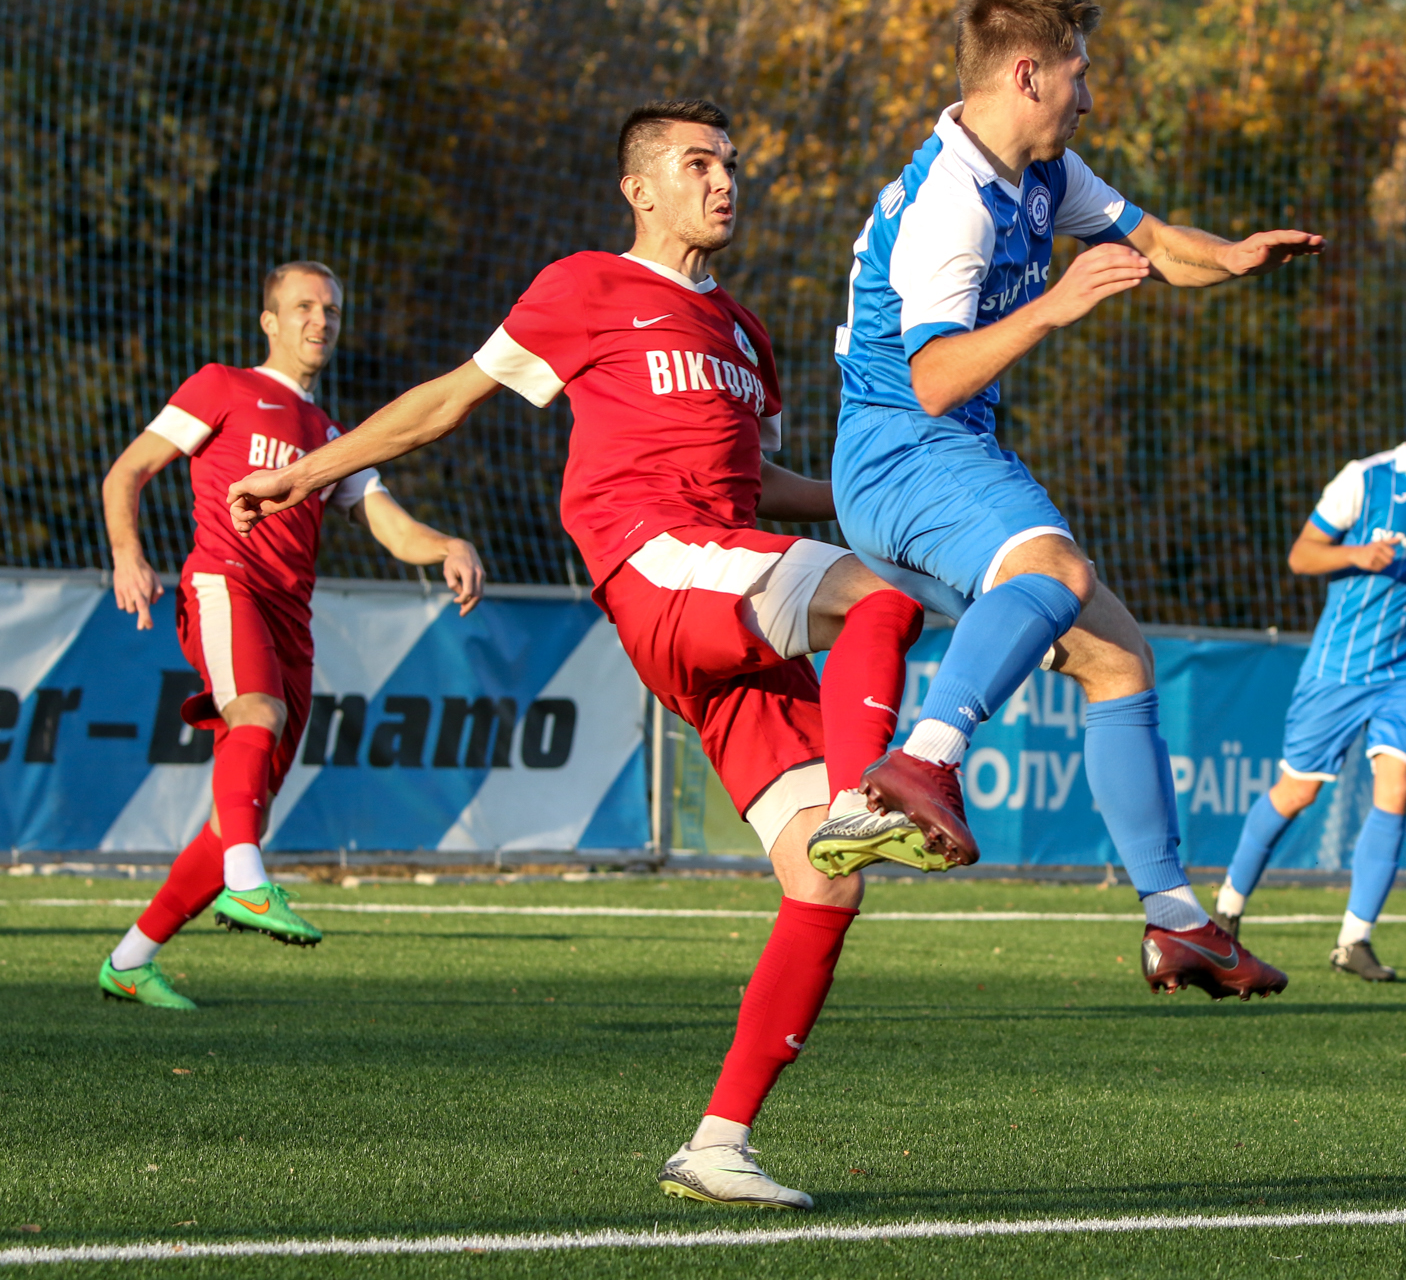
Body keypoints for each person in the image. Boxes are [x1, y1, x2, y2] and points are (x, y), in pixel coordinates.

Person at [225, 99, 929, 1213]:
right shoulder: (584, 286)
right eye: (697, 164)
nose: (724, 181)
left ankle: (718, 1142)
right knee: (880, 600)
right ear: (638, 189)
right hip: (657, 562)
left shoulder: (745, 335)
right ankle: (866, 793)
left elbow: (759, 487)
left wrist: (895, 499)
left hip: (727, 586)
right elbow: (445, 403)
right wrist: (304, 474)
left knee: (822, 879)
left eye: (731, 163)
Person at [813, 0, 1321, 1000]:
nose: (1088, 97)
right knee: (1054, 567)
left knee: (1117, 657)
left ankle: (1177, 922)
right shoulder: (950, 200)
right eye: (1078, 76)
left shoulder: (1041, 172)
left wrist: (1231, 258)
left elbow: (1150, 242)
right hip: (902, 448)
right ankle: (921, 762)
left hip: (941, 455)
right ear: (1027, 74)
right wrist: (1052, 306)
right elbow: (931, 379)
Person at [96, 261, 487, 1011]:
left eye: (331, 309)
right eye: (304, 306)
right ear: (269, 321)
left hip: (290, 618)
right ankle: (248, 883)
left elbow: (389, 524)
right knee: (257, 714)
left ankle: (130, 959)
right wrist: (127, 554)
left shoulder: (330, 435)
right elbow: (128, 472)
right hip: (224, 583)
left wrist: (446, 544)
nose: (320, 320)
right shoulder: (222, 386)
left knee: (238, 816)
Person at [1214, 367, 1406, 983]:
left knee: (1398, 789)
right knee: (1297, 792)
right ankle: (1228, 907)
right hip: (1340, 665)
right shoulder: (1364, 479)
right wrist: (1355, 554)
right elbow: (1301, 555)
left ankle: (1354, 940)